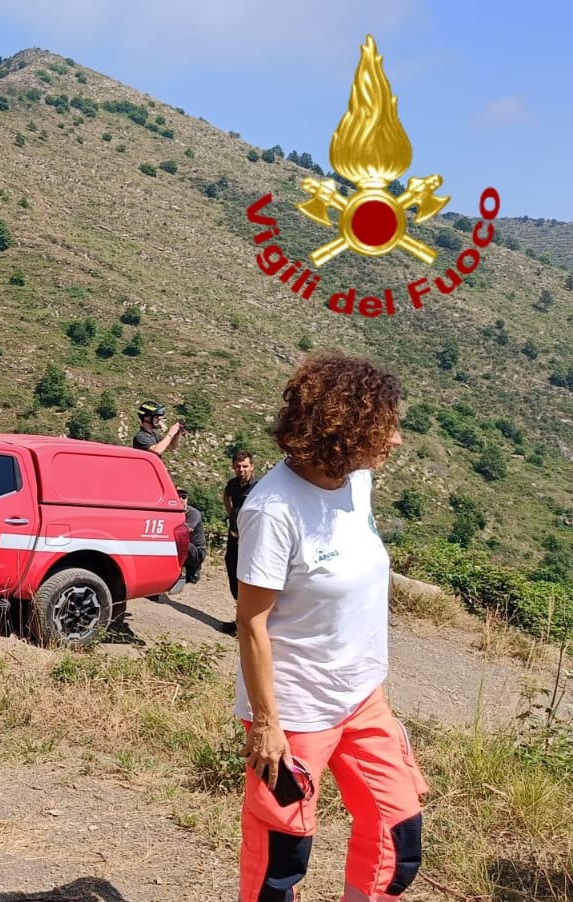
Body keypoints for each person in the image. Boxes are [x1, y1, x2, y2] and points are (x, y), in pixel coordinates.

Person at [234, 352, 426, 902]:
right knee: (281, 860)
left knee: (399, 833)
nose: (395, 442)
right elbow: (251, 622)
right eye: (385, 429)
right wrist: (267, 725)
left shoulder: (355, 480)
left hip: (362, 699)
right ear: (345, 432)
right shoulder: (274, 510)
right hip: (294, 713)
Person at [217, 449, 257, 635]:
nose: (241, 470)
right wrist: (232, 515)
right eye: (238, 466)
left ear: (252, 467)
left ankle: (250, 624)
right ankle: (240, 620)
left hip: (251, 542)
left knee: (249, 580)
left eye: (245, 466)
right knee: (234, 578)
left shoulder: (259, 487)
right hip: (234, 539)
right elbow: (226, 496)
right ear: (233, 467)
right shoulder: (232, 485)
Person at [177, 488, 206, 584]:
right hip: (185, 548)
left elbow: (185, 531)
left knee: (177, 541)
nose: (180, 499)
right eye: (178, 496)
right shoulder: (175, 514)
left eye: (183, 497)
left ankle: (195, 567)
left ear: (187, 499)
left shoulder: (193, 513)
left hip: (197, 552)